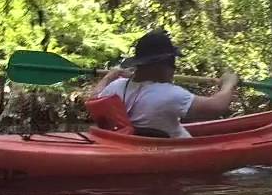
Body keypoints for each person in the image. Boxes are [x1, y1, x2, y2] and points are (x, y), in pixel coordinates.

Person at [92, 29, 239, 138]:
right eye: (172, 63)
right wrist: (228, 83)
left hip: (131, 146)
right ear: (163, 65)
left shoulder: (116, 86)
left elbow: (93, 99)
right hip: (171, 152)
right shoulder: (170, 94)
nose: (173, 69)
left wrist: (109, 77)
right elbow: (217, 107)